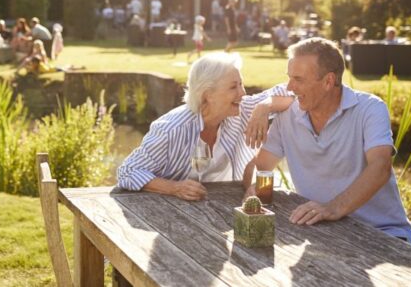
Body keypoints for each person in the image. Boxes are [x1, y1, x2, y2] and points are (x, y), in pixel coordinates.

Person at [243, 38, 411, 243]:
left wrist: (333, 208)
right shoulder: (288, 116)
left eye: (298, 79)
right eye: (289, 78)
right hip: (324, 233)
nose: (289, 87)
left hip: (384, 235)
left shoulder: (370, 109)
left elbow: (380, 167)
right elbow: (261, 165)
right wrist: (254, 187)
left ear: (328, 81)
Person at [117, 53, 293, 200]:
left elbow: (293, 92)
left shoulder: (244, 108)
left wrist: (264, 107)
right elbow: (128, 171)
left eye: (241, 84)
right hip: (174, 213)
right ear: (207, 94)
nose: (243, 93)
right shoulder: (171, 129)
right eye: (233, 87)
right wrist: (174, 188)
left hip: (226, 205)